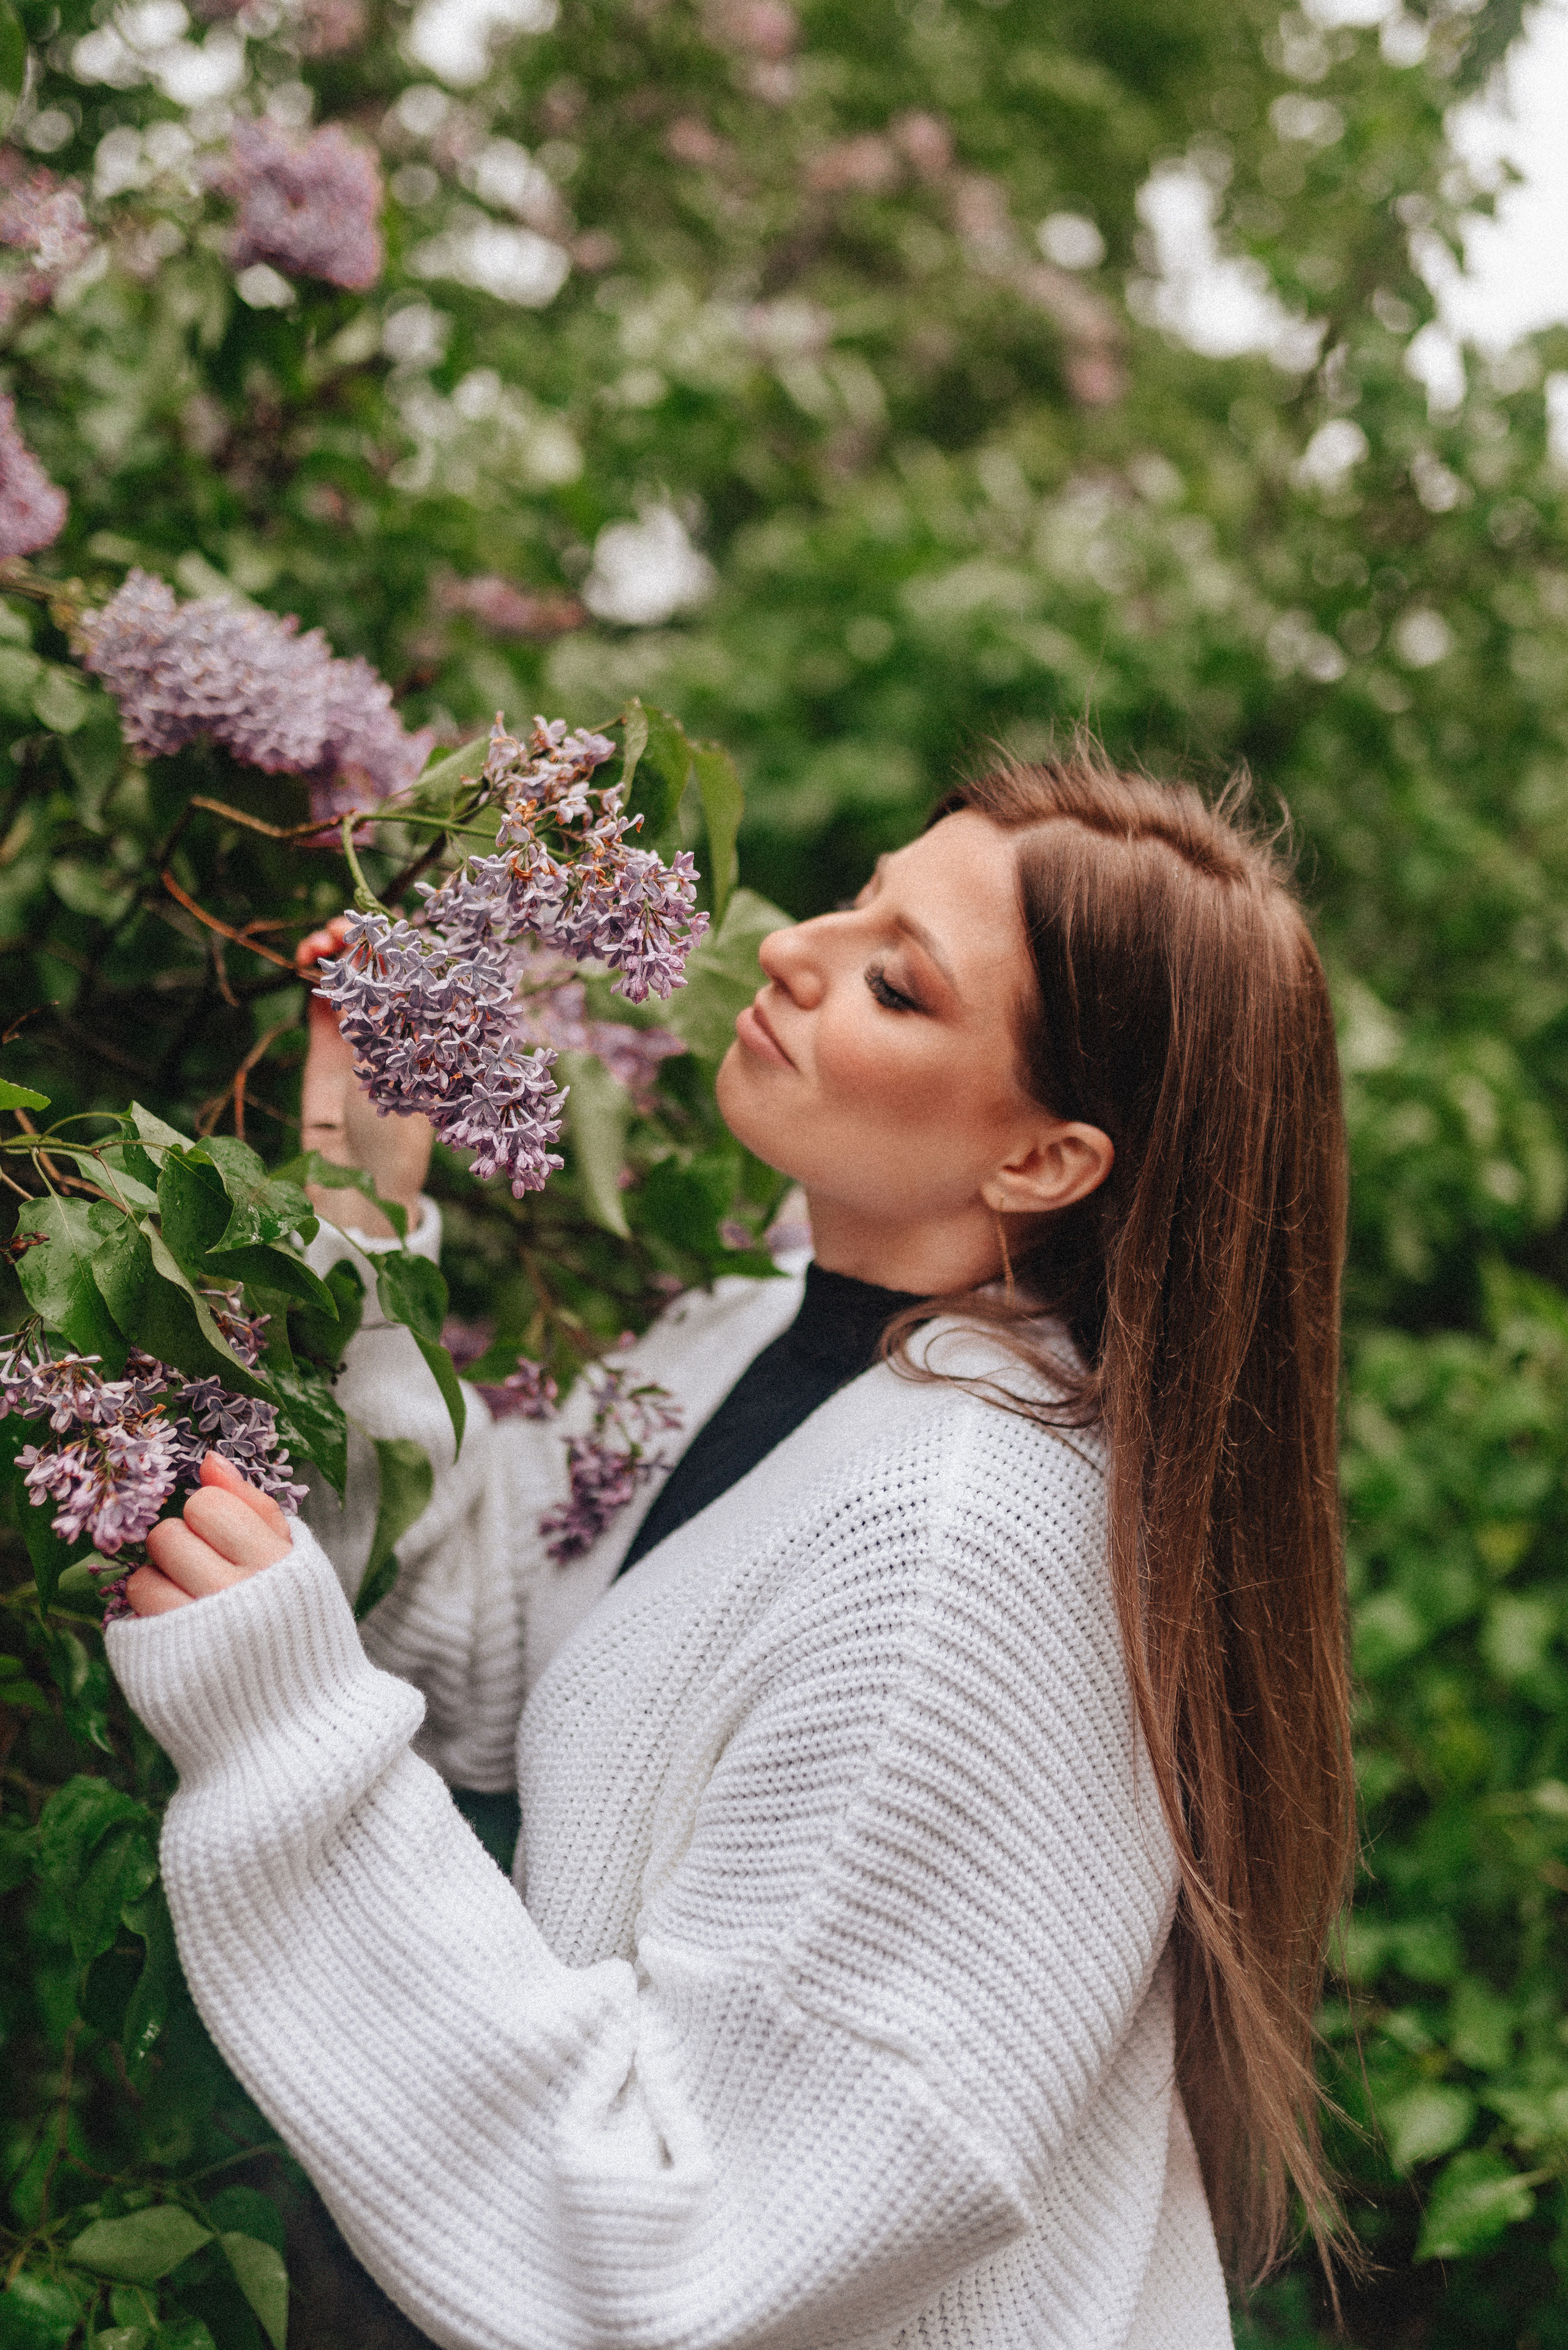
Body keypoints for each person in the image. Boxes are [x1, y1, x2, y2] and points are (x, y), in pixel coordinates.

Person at [107, 748, 1354, 2350]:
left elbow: (666, 2244)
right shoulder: (775, 1321)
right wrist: (360, 1193)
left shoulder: (966, 1557)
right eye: (859, 902)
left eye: (895, 985)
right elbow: (505, 1667)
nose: (791, 948)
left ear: (1045, 1161)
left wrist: (279, 1726)